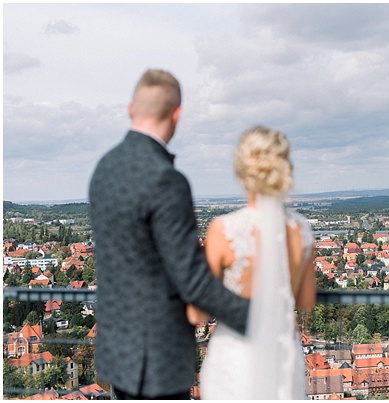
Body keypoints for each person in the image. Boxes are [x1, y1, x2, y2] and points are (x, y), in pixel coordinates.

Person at [89, 69, 250, 400]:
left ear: (130, 109)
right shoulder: (166, 180)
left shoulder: (103, 169)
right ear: (176, 114)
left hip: (118, 351)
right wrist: (256, 317)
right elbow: (192, 281)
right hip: (158, 356)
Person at [186, 126, 316, 399]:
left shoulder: (225, 229)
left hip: (236, 351)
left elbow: (198, 313)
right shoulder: (302, 230)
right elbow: (305, 302)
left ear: (242, 173)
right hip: (283, 351)